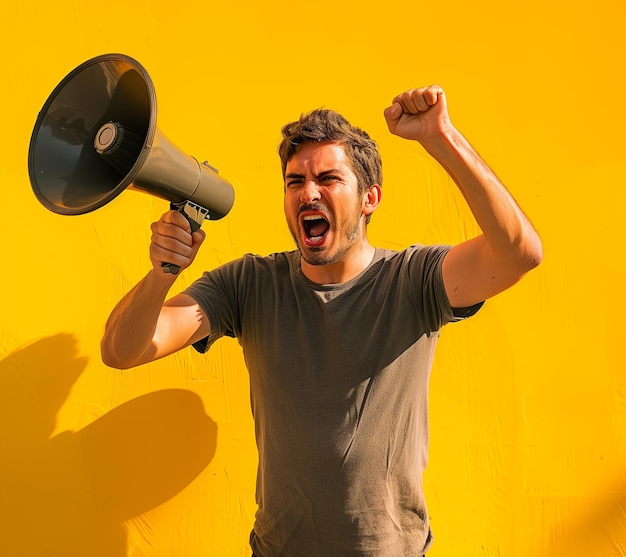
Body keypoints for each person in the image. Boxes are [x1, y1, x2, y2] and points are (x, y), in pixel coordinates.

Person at [101, 85, 542, 556]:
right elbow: (123, 350)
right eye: (295, 182)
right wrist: (161, 275)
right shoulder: (249, 284)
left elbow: (519, 253)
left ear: (370, 198)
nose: (308, 193)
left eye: (328, 179)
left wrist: (441, 136)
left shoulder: (413, 281)